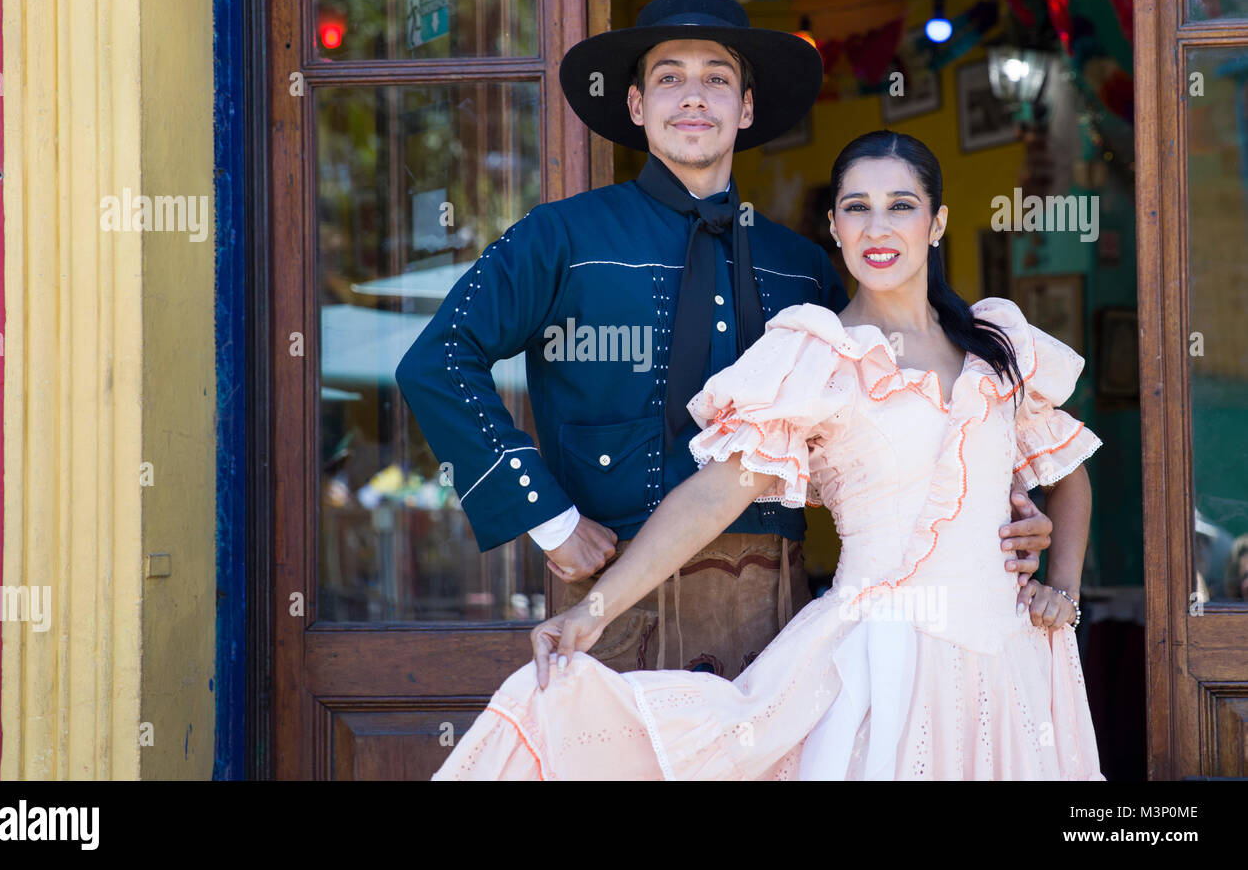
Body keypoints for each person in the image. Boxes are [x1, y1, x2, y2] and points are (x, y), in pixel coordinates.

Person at [396, 0, 1055, 678]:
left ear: (744, 106)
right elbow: (437, 361)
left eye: (716, 77)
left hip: (775, 600)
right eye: (668, 77)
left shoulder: (802, 267)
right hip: (610, 595)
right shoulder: (560, 237)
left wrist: (1006, 511)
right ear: (635, 105)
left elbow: (900, 416)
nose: (692, 96)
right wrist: (548, 518)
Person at [431, 130, 1104, 780]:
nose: (878, 227)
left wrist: (1063, 590)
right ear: (834, 228)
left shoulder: (999, 346)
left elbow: (1068, 479)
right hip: (884, 663)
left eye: (901, 205)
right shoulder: (818, 354)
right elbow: (713, 493)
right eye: (856, 208)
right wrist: (591, 611)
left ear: (936, 222)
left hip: (1010, 660)